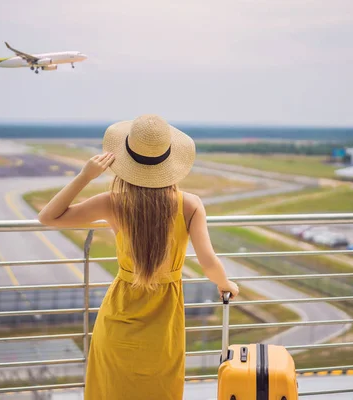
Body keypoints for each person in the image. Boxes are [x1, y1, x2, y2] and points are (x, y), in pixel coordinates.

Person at [38, 114, 239, 399]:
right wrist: (225, 285)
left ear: (125, 160)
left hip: (119, 315)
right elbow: (208, 262)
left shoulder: (114, 202)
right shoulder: (190, 205)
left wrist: (86, 175)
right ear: (171, 163)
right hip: (164, 321)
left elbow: (48, 217)